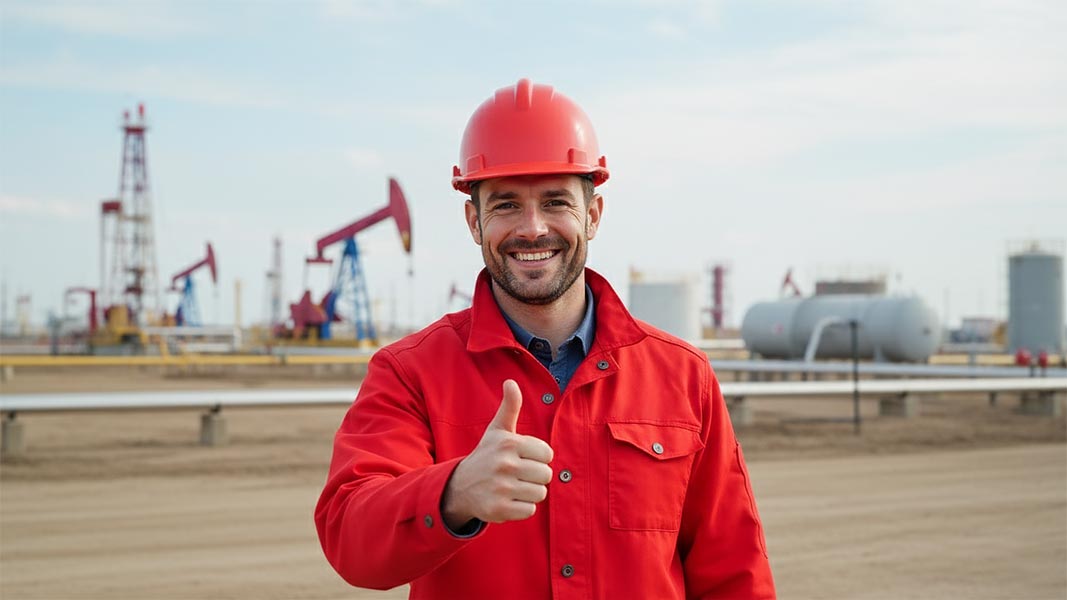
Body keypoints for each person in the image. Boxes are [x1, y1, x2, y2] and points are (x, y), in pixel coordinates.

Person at [315, 78, 776, 599]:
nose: (532, 228)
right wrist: (452, 494)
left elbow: (735, 572)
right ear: (474, 221)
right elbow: (350, 540)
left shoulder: (683, 376)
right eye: (506, 204)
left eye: (556, 201)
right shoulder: (410, 373)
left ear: (593, 215)